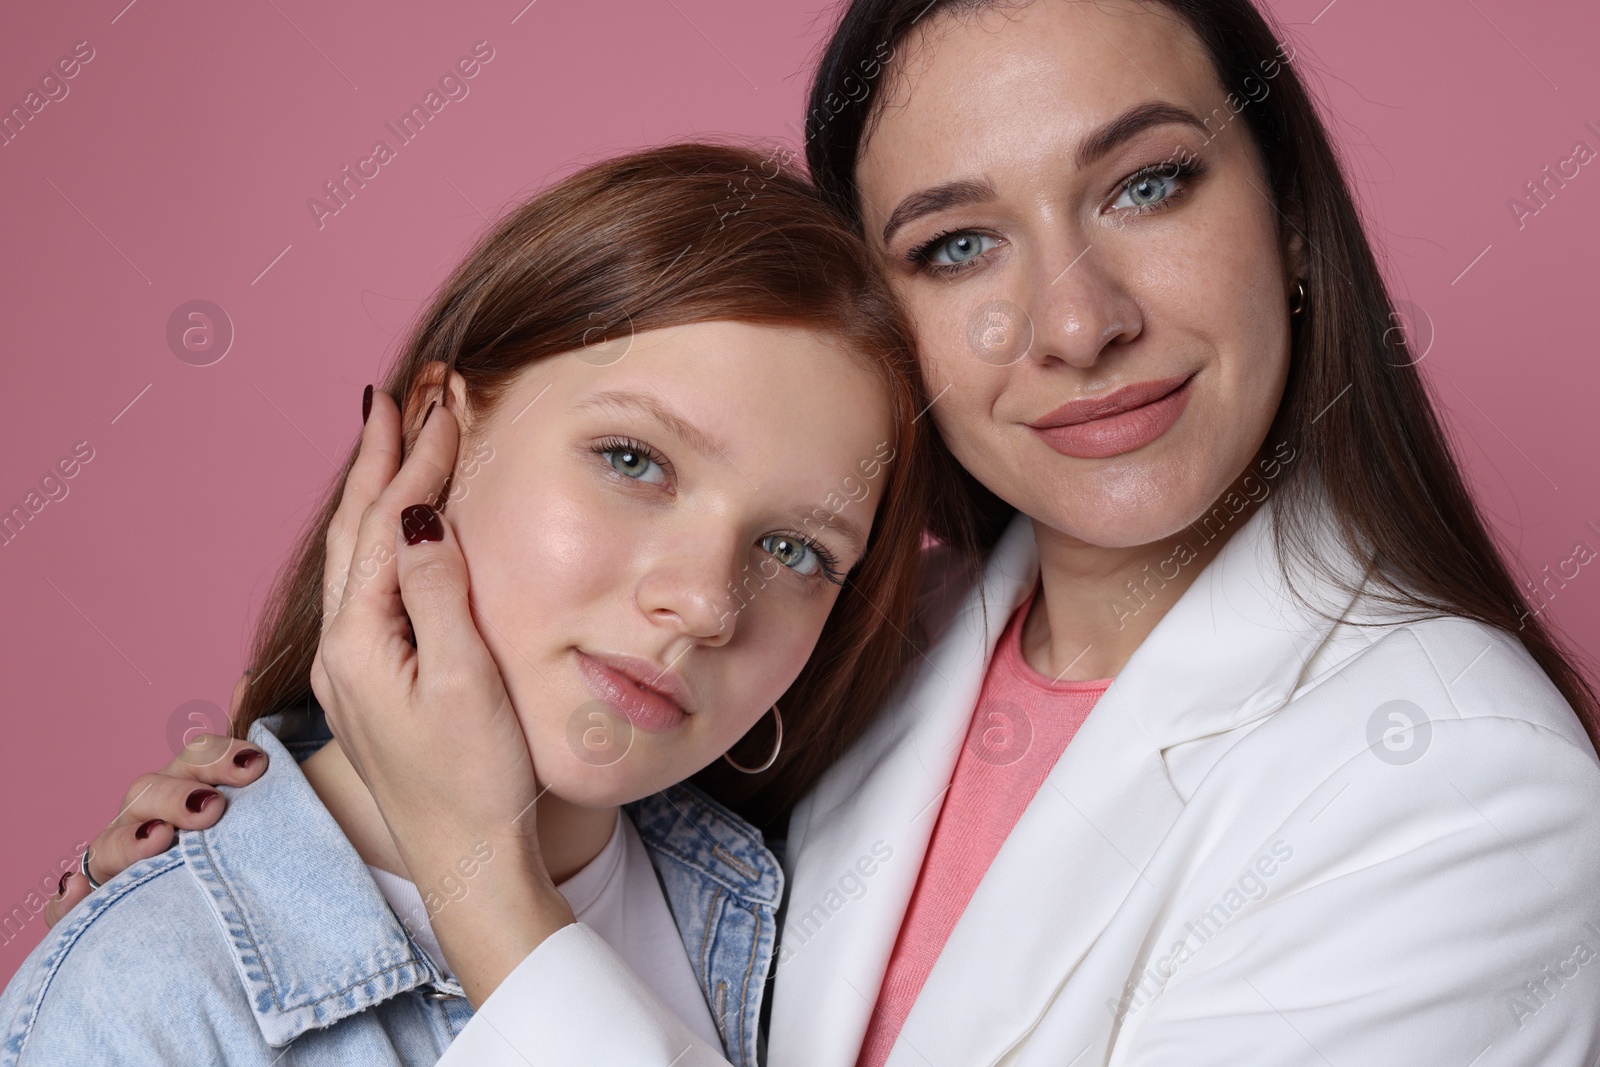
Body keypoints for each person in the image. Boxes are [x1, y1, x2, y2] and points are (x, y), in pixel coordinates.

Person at [46, 0, 1600, 1064]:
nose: (1074, 318)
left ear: (1288, 217)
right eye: (959, 241)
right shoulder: (852, 656)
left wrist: (467, 866)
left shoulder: (1463, 780)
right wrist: (254, 865)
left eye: (1150, 184)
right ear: (880, 325)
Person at [0, 142, 935, 1065]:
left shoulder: (815, 935)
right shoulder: (147, 1004)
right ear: (441, 433)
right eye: (634, 461)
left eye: (793, 550)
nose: (704, 604)